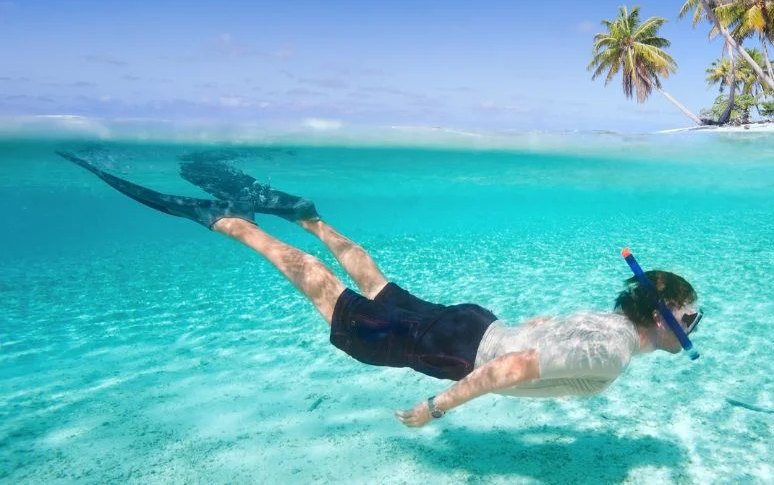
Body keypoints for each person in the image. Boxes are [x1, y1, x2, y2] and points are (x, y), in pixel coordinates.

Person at [59, 150, 702, 428]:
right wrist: (436, 408)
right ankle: (228, 222)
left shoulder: (605, 323)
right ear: (663, 316)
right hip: (460, 353)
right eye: (691, 318)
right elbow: (512, 368)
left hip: (473, 322)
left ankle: (306, 213)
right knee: (332, 298)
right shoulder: (611, 355)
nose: (693, 329)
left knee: (374, 280)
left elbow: (537, 325)